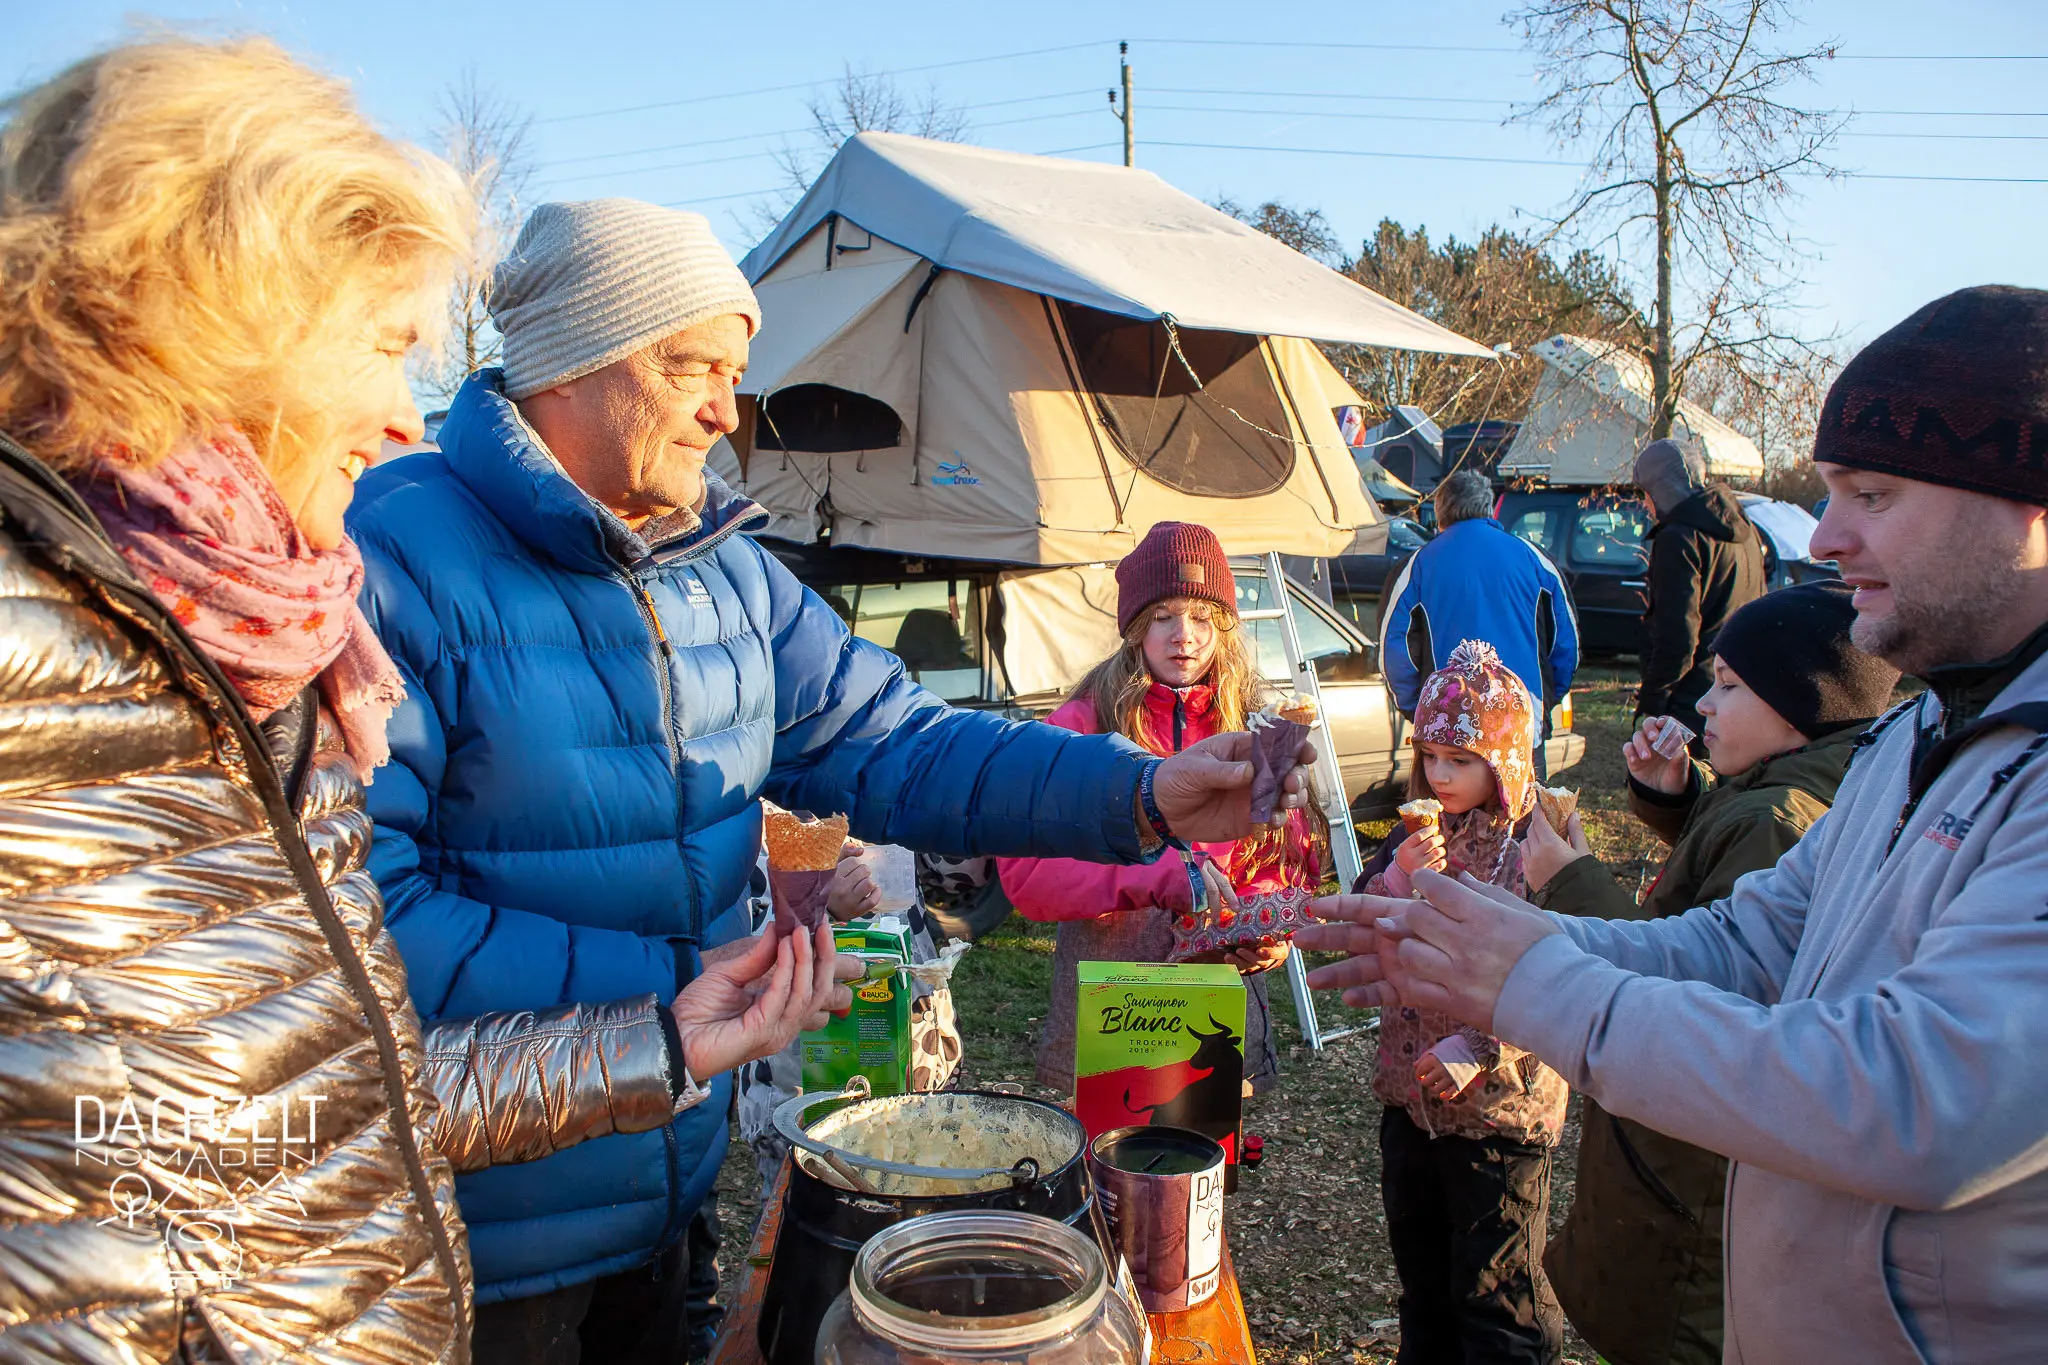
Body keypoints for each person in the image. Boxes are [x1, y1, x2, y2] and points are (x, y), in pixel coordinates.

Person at [0, 39, 854, 1364]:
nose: (407, 416)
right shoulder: (59, 693)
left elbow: (303, 1111)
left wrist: (657, 1043)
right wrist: (662, 984)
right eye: (385, 344)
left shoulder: (243, 658)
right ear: (208, 333)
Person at [345, 203, 1312, 1362]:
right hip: (473, 1227)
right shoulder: (393, 556)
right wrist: (671, 993)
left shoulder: (721, 573)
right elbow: (354, 918)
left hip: (664, 1174)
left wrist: (1140, 794)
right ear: (572, 360)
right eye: (691, 366)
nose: (725, 410)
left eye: (734, 372)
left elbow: (901, 743)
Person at [1300, 285, 2048, 1364]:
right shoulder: (1919, 729)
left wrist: (1536, 985)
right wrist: (1505, 941)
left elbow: (1919, 1102)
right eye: (1833, 492)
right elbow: (1747, 942)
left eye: (1874, 496)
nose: (1826, 535)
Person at [1519, 581, 1899, 1365]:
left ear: (1798, 709)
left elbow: (1695, 997)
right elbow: (1729, 886)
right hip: (1686, 1177)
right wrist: (1681, 798)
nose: (1704, 704)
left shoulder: (1777, 819)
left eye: (1728, 685)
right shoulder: (1786, 795)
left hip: (1687, 1192)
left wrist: (1572, 881)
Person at [994, 524, 1322, 1095]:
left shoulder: (1255, 726)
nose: (1184, 636)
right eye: (1164, 616)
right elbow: (1026, 874)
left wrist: (1265, 927)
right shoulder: (1081, 727)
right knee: (1113, 1140)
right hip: (1112, 995)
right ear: (1134, 627)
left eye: (1202, 617)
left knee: (1207, 1142)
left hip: (1215, 1002)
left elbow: (1281, 857)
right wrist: (1157, 873)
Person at [1362, 639, 1567, 1365]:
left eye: (1461, 760)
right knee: (1423, 1285)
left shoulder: (1538, 848)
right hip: (1412, 1099)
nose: (1440, 776)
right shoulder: (1414, 835)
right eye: (1430, 756)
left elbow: (1561, 971)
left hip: (1498, 1117)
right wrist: (1393, 880)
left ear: (1504, 761)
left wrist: (1482, 1046)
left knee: (1497, 1295)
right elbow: (1360, 919)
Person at [1380, 470, 1579, 732]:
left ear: (1440, 512)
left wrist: (1421, 713)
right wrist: (1543, 701)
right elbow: (1566, 647)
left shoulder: (1416, 568)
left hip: (1447, 728)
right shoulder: (1535, 560)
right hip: (1521, 723)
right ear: (1488, 507)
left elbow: (1395, 656)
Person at [1630, 437, 1766, 740]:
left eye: (1645, 493)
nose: (1645, 505)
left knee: (1673, 772)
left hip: (1689, 701)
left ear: (1661, 488)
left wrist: (1651, 706)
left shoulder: (1679, 538)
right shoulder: (1745, 530)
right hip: (1740, 688)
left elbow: (1678, 636)